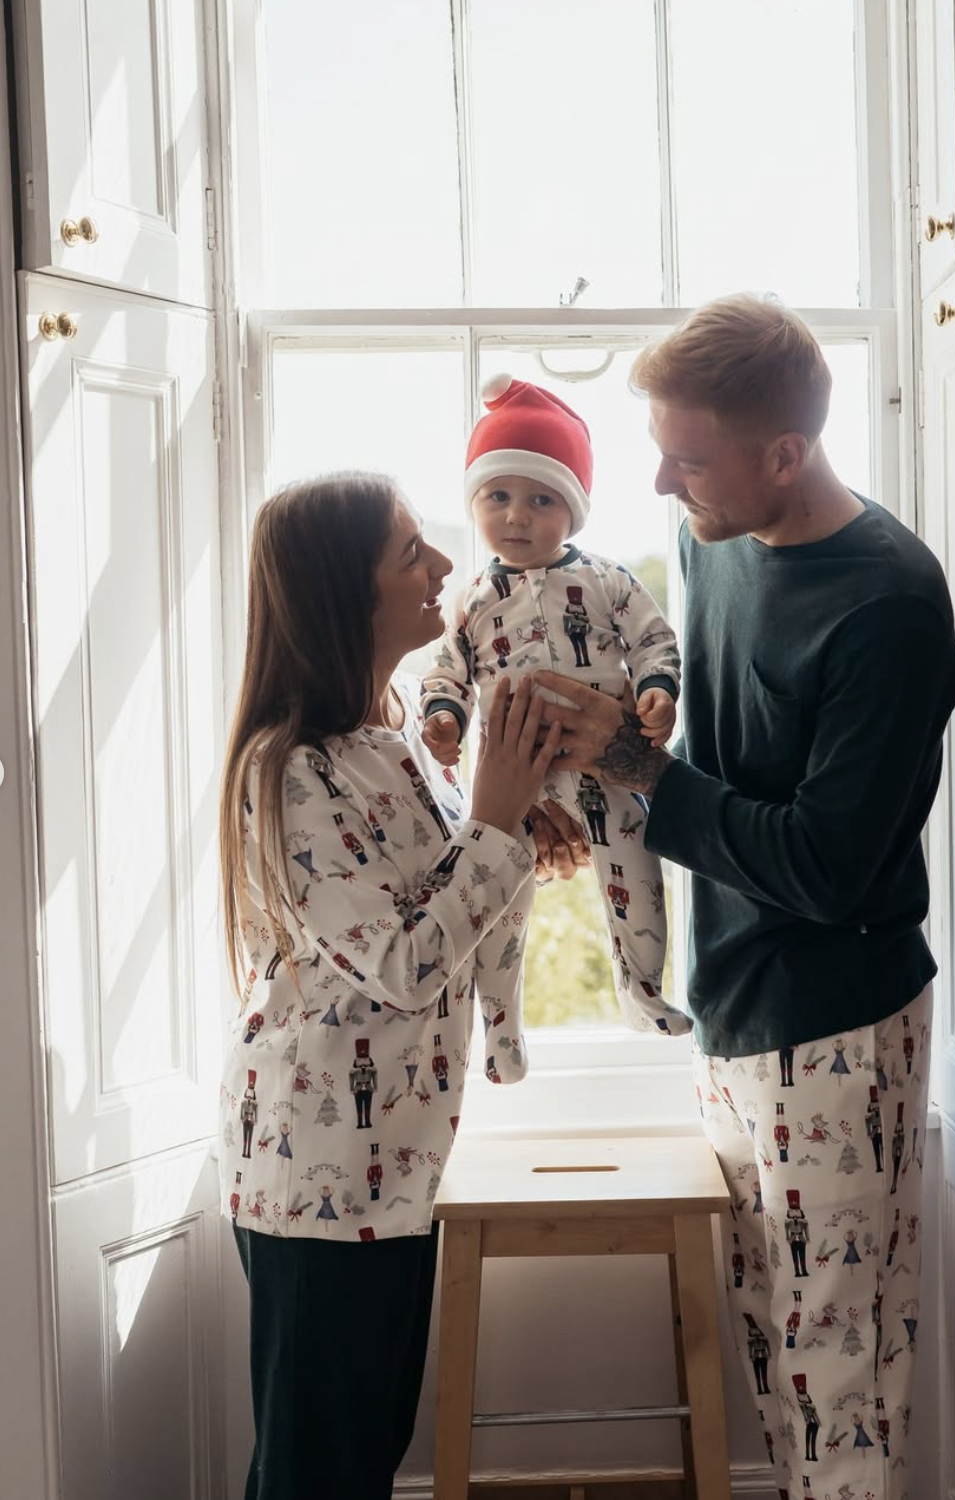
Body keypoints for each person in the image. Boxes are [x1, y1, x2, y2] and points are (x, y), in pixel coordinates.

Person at [533, 294, 955, 1500]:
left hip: (837, 1021)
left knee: (840, 1371)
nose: (665, 483)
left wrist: (632, 761)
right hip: (728, 1004)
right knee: (779, 1344)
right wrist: (643, 718)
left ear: (786, 452)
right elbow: (715, 732)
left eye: (690, 456)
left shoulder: (886, 605)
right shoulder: (712, 536)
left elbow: (829, 868)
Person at [216, 471, 561, 1500]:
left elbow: (454, 921)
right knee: (320, 1470)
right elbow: (408, 968)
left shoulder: (395, 747)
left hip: (395, 1166)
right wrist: (494, 827)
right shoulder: (289, 770)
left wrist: (514, 832)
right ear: (341, 590)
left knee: (355, 1457)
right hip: (317, 1178)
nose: (447, 567)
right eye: (413, 551)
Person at [419, 374, 691, 1041]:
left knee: (637, 883)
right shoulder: (474, 598)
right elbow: (448, 669)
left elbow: (653, 638)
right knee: (502, 908)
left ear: (573, 509)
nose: (517, 516)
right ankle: (501, 1030)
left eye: (542, 499)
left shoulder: (605, 579)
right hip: (514, 781)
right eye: (498, 496)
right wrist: (444, 718)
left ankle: (644, 991)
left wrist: (657, 690)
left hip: (610, 772)